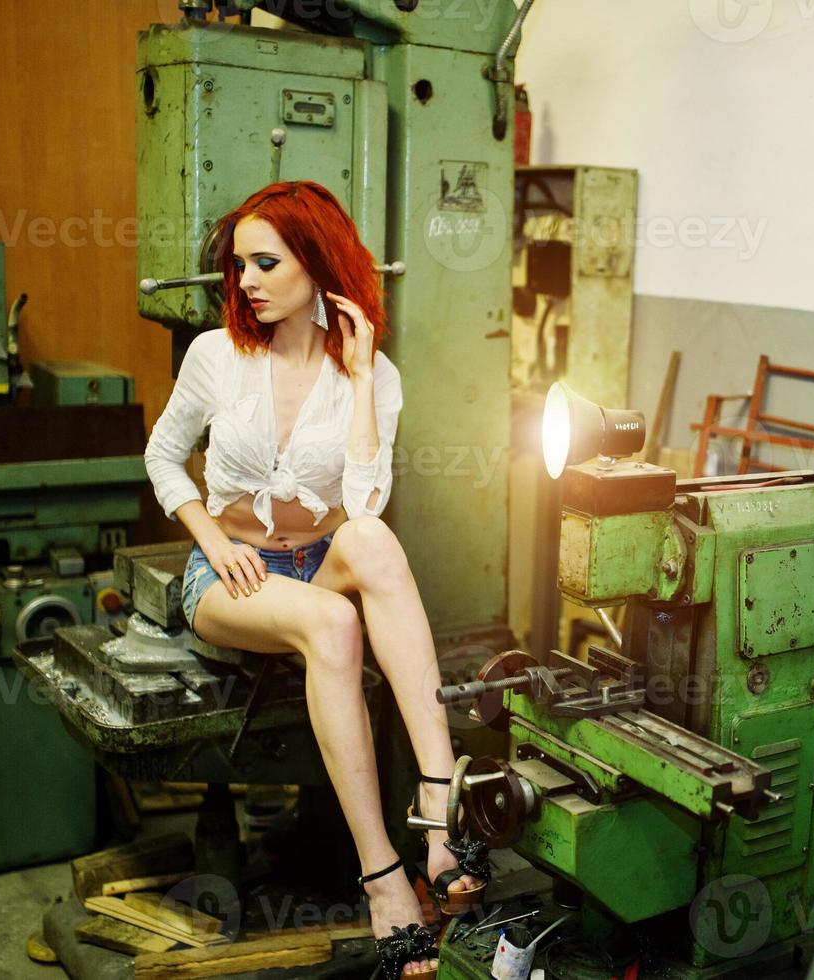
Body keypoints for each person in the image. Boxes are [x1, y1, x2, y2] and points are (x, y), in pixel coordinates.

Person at [143, 181, 485, 977]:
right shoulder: (215, 356)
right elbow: (162, 456)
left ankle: (437, 815)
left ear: (318, 262)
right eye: (240, 266)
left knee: (370, 541)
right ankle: (383, 877)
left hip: (317, 561)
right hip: (229, 574)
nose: (247, 282)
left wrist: (361, 379)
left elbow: (365, 504)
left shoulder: (374, 374)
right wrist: (207, 536)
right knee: (333, 624)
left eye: (266, 262)